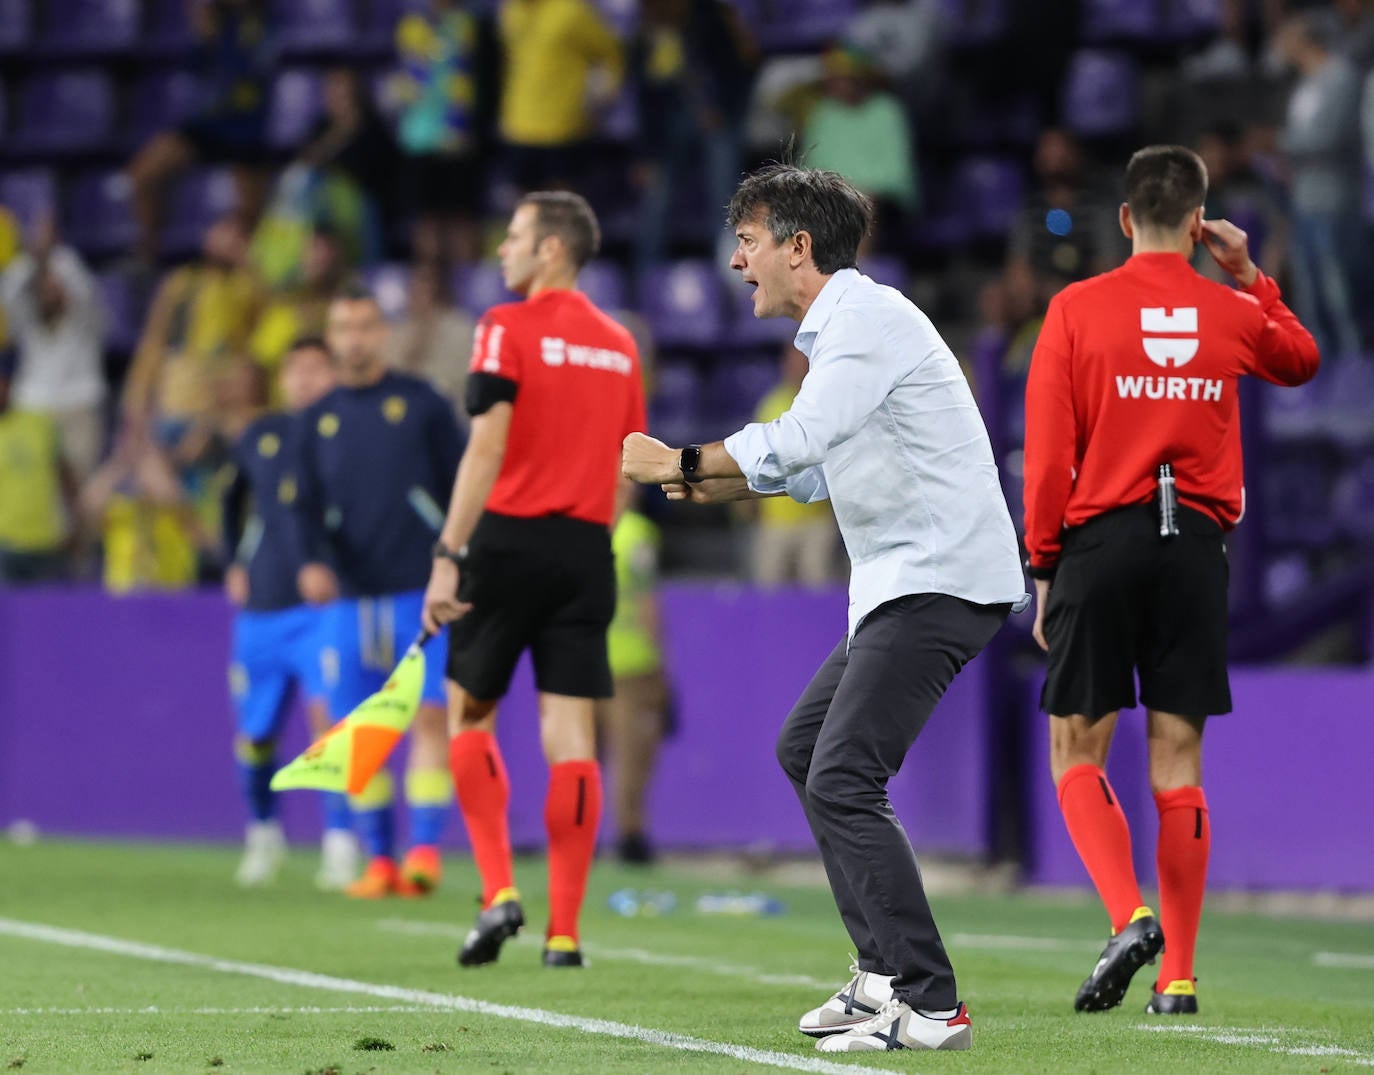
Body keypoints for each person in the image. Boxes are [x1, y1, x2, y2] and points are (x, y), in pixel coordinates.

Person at [621, 163, 1027, 1053]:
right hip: (909, 580)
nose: (738, 261)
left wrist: (680, 461)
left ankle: (930, 1002)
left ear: (798, 247)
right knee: (806, 749)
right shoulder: (847, 327)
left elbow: (798, 440)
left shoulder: (865, 320)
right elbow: (810, 466)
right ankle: (880, 974)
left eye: (750, 241)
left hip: (941, 578)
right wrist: (713, 486)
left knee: (843, 772)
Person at [1022, 146, 1320, 1017]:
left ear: (1122, 218)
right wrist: (1250, 272)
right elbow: (1300, 359)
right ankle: (1179, 978)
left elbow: (1048, 457)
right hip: (1195, 547)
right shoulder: (1226, 310)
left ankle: (1129, 914)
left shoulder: (1075, 309)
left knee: (1078, 747)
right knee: (1178, 761)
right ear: (1198, 221)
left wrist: (1043, 563)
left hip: (1101, 543)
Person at [420, 191, 646, 969]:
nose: (501, 249)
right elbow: (631, 463)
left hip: (506, 543)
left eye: (514, 236)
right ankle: (565, 932)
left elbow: (485, 447)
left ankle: (497, 892)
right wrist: (590, 534)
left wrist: (450, 552)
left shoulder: (504, 326)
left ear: (552, 249)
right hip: (586, 549)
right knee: (571, 738)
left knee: (470, 718)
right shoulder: (620, 343)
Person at [292, 283, 465, 898]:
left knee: (428, 720)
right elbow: (303, 508)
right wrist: (312, 562)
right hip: (348, 599)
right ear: (333, 337)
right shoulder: (316, 420)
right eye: (343, 328)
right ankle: (379, 859)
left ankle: (422, 853)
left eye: (365, 326)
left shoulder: (421, 405)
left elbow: (461, 485)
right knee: (359, 731)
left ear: (382, 332)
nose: (355, 339)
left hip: (419, 593)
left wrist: (458, 559)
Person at [221, 337, 357, 889]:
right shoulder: (261, 435)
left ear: (333, 374)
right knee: (255, 734)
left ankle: (341, 843)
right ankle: (262, 834)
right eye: (293, 369)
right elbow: (231, 499)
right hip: (262, 608)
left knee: (330, 724)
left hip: (325, 607)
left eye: (315, 369)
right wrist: (232, 560)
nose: (303, 379)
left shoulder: (348, 436)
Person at [126, 0, 274, 263]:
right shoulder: (215, 23)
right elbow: (198, 69)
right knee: (143, 174)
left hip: (245, 131)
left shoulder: (261, 24)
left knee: (251, 213)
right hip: (208, 126)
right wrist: (205, 31)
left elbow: (251, 76)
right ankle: (146, 256)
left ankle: (247, 274)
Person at [0, 216, 108, 482]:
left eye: (55, 286)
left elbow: (83, 288)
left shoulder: (85, 318)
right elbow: (9, 290)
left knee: (80, 485)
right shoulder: (27, 318)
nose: (50, 291)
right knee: (33, 485)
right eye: (44, 286)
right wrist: (36, 258)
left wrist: (56, 253)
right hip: (33, 406)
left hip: (78, 406)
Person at [597, 482, 672, 864]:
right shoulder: (637, 535)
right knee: (632, 755)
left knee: (581, 754)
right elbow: (646, 604)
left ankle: (581, 834)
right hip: (630, 665)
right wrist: (661, 667)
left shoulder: (579, 532)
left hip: (584, 661)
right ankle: (630, 835)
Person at [393, 0, 499, 270]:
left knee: (462, 220)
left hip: (460, 141)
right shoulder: (411, 27)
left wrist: (479, 133)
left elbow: (489, 81)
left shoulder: (474, 26)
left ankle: (466, 290)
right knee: (426, 222)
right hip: (418, 141)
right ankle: (432, 289)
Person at [496, 0, 623, 192]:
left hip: (563, 124)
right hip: (518, 124)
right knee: (526, 202)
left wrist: (604, 96)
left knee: (562, 202)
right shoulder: (511, 11)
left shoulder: (571, 12)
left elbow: (611, 54)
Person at [744, 344, 839, 587]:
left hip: (816, 519)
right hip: (776, 519)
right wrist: (750, 502)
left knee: (818, 587)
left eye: (802, 363)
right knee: (769, 589)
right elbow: (756, 458)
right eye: (793, 362)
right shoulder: (771, 406)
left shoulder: (822, 404)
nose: (798, 368)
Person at [0, 367, 79, 585]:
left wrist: (73, 522)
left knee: (47, 615)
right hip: (4, 544)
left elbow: (65, 474)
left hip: (46, 541)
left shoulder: (38, 423)